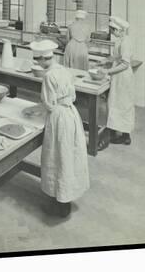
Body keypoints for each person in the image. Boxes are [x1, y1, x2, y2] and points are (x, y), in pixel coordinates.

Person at [24, 39, 89, 218]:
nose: (38, 64)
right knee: (67, 157)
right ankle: (65, 199)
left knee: (55, 157)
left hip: (58, 118)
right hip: (71, 115)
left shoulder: (48, 76)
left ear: (43, 59)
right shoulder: (63, 70)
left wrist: (32, 110)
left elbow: (49, 104)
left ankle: (57, 204)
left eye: (38, 61)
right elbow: (70, 96)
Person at [96, 16, 135, 151]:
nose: (112, 33)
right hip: (118, 77)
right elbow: (117, 57)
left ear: (119, 30)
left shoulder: (126, 42)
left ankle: (125, 135)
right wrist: (106, 60)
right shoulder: (121, 40)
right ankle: (113, 131)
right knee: (114, 104)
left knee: (123, 105)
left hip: (123, 77)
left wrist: (108, 71)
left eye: (113, 30)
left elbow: (125, 63)